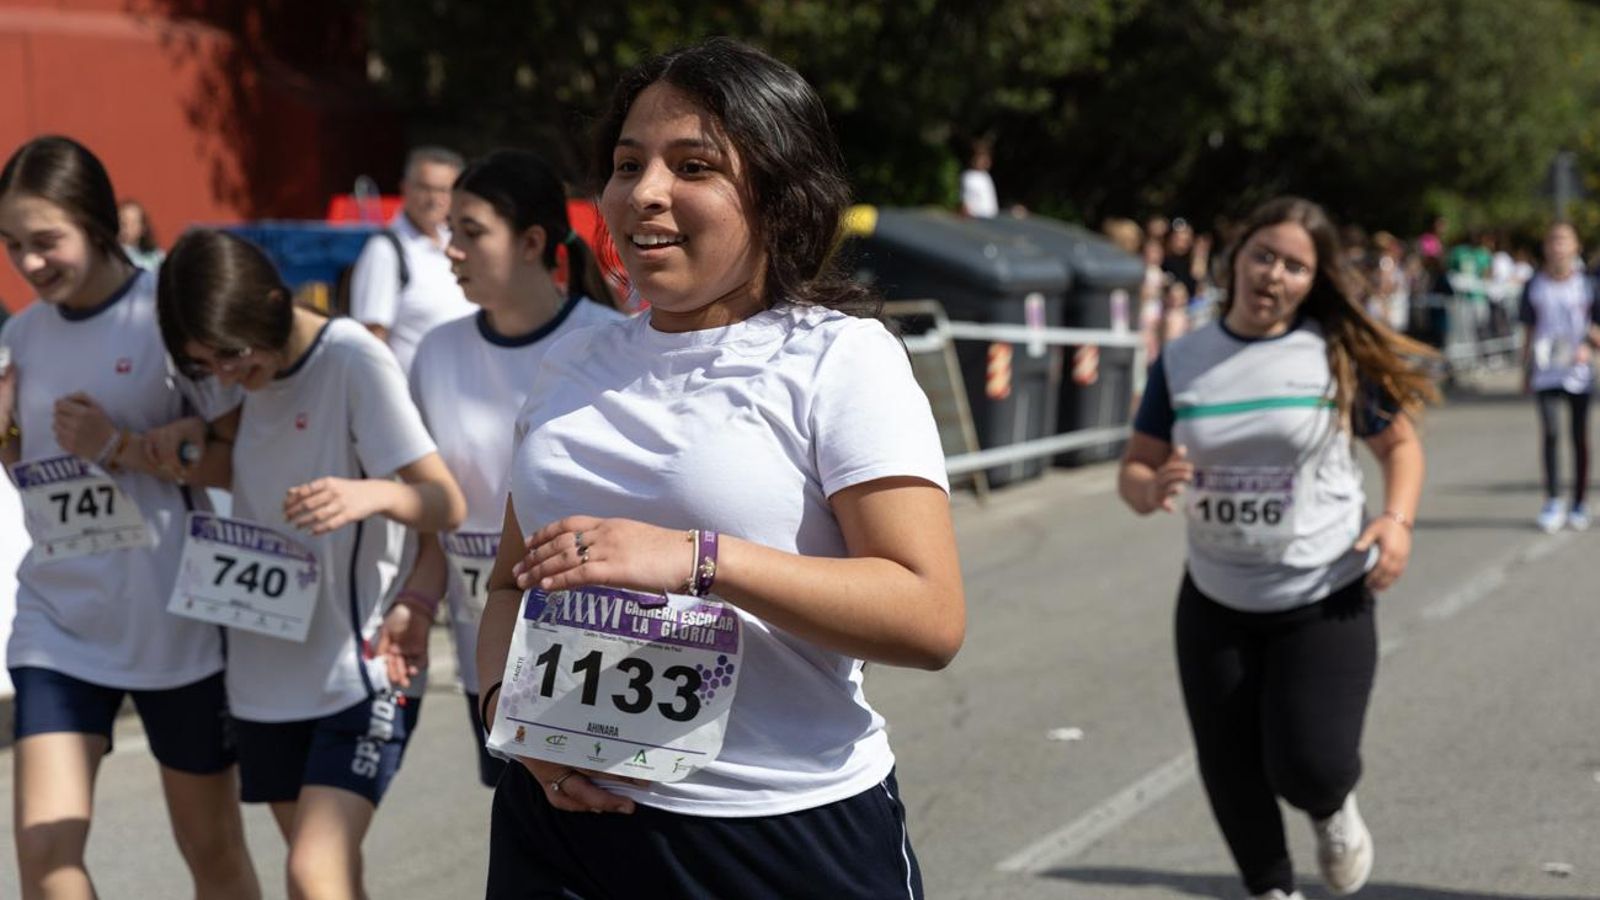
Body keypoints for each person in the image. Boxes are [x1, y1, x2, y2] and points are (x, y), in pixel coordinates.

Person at [475, 38, 964, 899]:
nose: (645, 192)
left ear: (778, 192)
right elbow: (512, 586)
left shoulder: (841, 359)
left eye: (693, 166)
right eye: (628, 164)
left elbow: (928, 617)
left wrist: (698, 560)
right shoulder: (571, 364)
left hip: (774, 833)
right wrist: (503, 715)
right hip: (556, 827)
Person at [1118, 196, 1438, 900]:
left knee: (1311, 767)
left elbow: (1400, 446)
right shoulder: (1184, 358)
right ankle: (1271, 888)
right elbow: (1135, 467)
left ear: (1313, 280)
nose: (1274, 275)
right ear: (1237, 258)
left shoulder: (1332, 352)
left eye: (1296, 266)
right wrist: (1150, 488)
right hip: (1215, 595)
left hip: (1323, 592)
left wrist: (1397, 521)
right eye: (1264, 256)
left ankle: (1332, 810)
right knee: (1230, 769)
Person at [155, 229, 467, 899]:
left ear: (270, 302)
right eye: (204, 364)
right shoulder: (242, 376)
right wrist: (161, 445)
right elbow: (238, 463)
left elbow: (446, 501)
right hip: (263, 677)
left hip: (358, 671)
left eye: (230, 355)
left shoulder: (351, 357)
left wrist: (371, 494)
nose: (224, 377)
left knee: (312, 872)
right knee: (324, 878)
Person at [0, 135, 259, 899]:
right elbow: (33, 472)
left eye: (46, 240)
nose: (28, 263)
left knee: (212, 853)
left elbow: (240, 459)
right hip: (58, 618)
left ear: (97, 221)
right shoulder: (21, 334)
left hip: (173, 621)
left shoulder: (168, 315)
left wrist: (122, 447)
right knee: (44, 856)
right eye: (11, 245)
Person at [382, 148, 626, 789]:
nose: (451, 250)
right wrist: (416, 603)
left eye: (471, 232)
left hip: (596, 658)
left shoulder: (611, 344)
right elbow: (439, 519)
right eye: (449, 232)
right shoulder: (437, 352)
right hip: (485, 660)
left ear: (532, 242)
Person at [347, 146, 475, 373]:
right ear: (404, 188)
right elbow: (371, 341)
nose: (434, 199)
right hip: (412, 392)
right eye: (425, 188)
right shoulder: (385, 250)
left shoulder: (458, 245)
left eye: (443, 190)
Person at [1519, 222, 1600, 532]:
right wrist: (1525, 368)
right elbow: (1528, 329)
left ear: (1576, 246)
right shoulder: (1534, 285)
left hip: (1579, 372)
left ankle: (1579, 502)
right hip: (1546, 370)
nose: (1558, 246)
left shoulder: (1588, 284)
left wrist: (1588, 345)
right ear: (1545, 247)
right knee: (1551, 433)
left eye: (1564, 240)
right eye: (1553, 240)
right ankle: (1553, 500)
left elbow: (1597, 326)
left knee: (1579, 437)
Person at [117, 198, 164, 270]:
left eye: (133, 223)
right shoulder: (111, 255)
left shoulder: (156, 256)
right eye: (123, 222)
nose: (127, 227)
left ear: (143, 228)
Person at [959, 138, 998, 219]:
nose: (985, 161)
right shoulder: (969, 176)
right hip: (976, 217)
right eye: (981, 159)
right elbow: (965, 198)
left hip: (989, 216)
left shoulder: (985, 176)